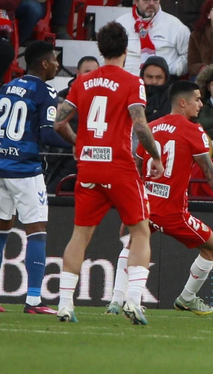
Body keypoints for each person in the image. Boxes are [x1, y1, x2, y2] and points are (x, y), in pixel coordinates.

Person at [52, 22, 163, 324]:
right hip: (119, 166)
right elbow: (140, 125)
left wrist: (79, 145)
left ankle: (64, 304)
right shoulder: (132, 81)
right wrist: (155, 155)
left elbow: (59, 123)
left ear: (100, 50)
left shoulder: (82, 81)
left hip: (88, 166)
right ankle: (134, 300)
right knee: (140, 231)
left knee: (79, 236)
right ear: (126, 49)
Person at [124, 81, 213, 315]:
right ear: (182, 102)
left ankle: (118, 301)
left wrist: (132, 205)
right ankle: (186, 298)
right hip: (171, 212)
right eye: (197, 99)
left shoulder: (151, 127)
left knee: (130, 246)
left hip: (146, 205)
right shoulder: (194, 130)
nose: (201, 104)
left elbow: (136, 170)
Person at [0, 42, 62, 313]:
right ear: (44, 64)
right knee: (37, 232)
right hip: (26, 170)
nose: (58, 65)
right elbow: (47, 135)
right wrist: (77, 144)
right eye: (55, 60)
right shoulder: (46, 91)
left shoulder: (5, 88)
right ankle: (34, 300)